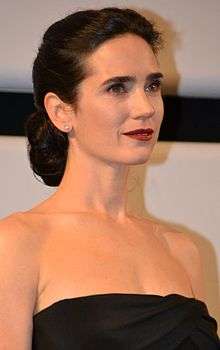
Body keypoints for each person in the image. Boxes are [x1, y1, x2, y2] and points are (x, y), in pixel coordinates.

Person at [0, 7, 219, 349]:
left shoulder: (183, 251)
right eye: (118, 88)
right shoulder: (17, 244)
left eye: (152, 85)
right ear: (61, 112)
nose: (145, 107)